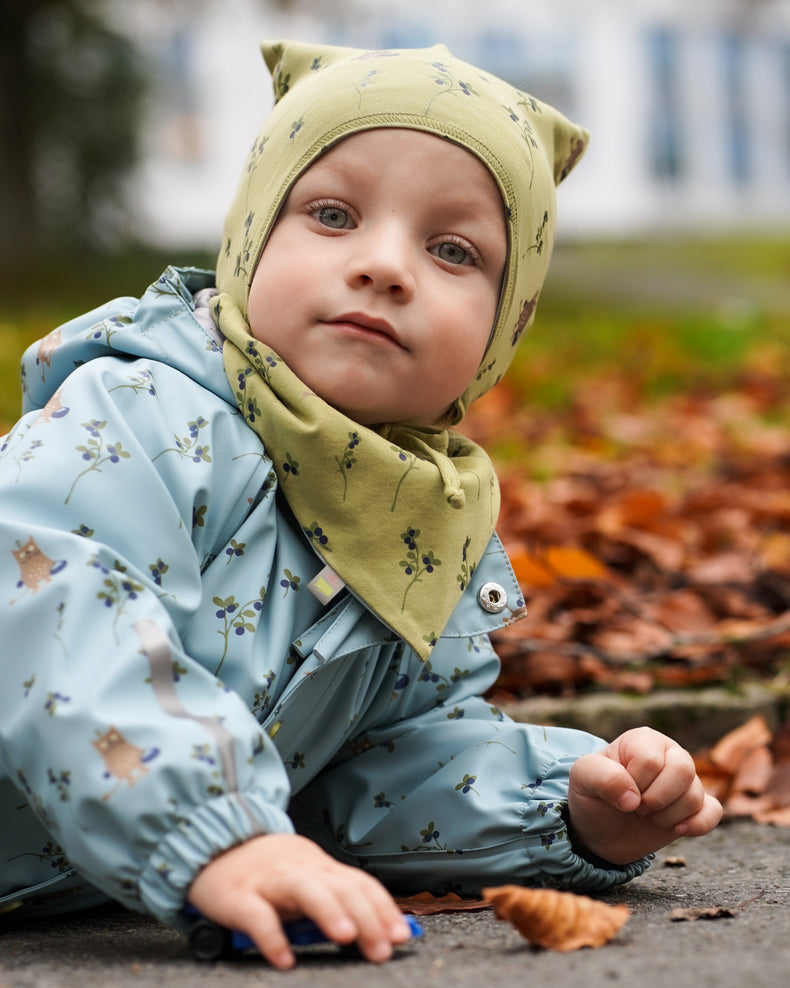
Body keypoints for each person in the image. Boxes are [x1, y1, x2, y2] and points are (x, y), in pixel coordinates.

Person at [0, 40, 721, 970]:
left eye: (453, 249)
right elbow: (52, 606)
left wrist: (568, 811)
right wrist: (216, 830)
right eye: (333, 214)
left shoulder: (422, 523)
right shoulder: (138, 415)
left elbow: (376, 768)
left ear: (505, 328)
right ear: (251, 238)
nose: (385, 265)